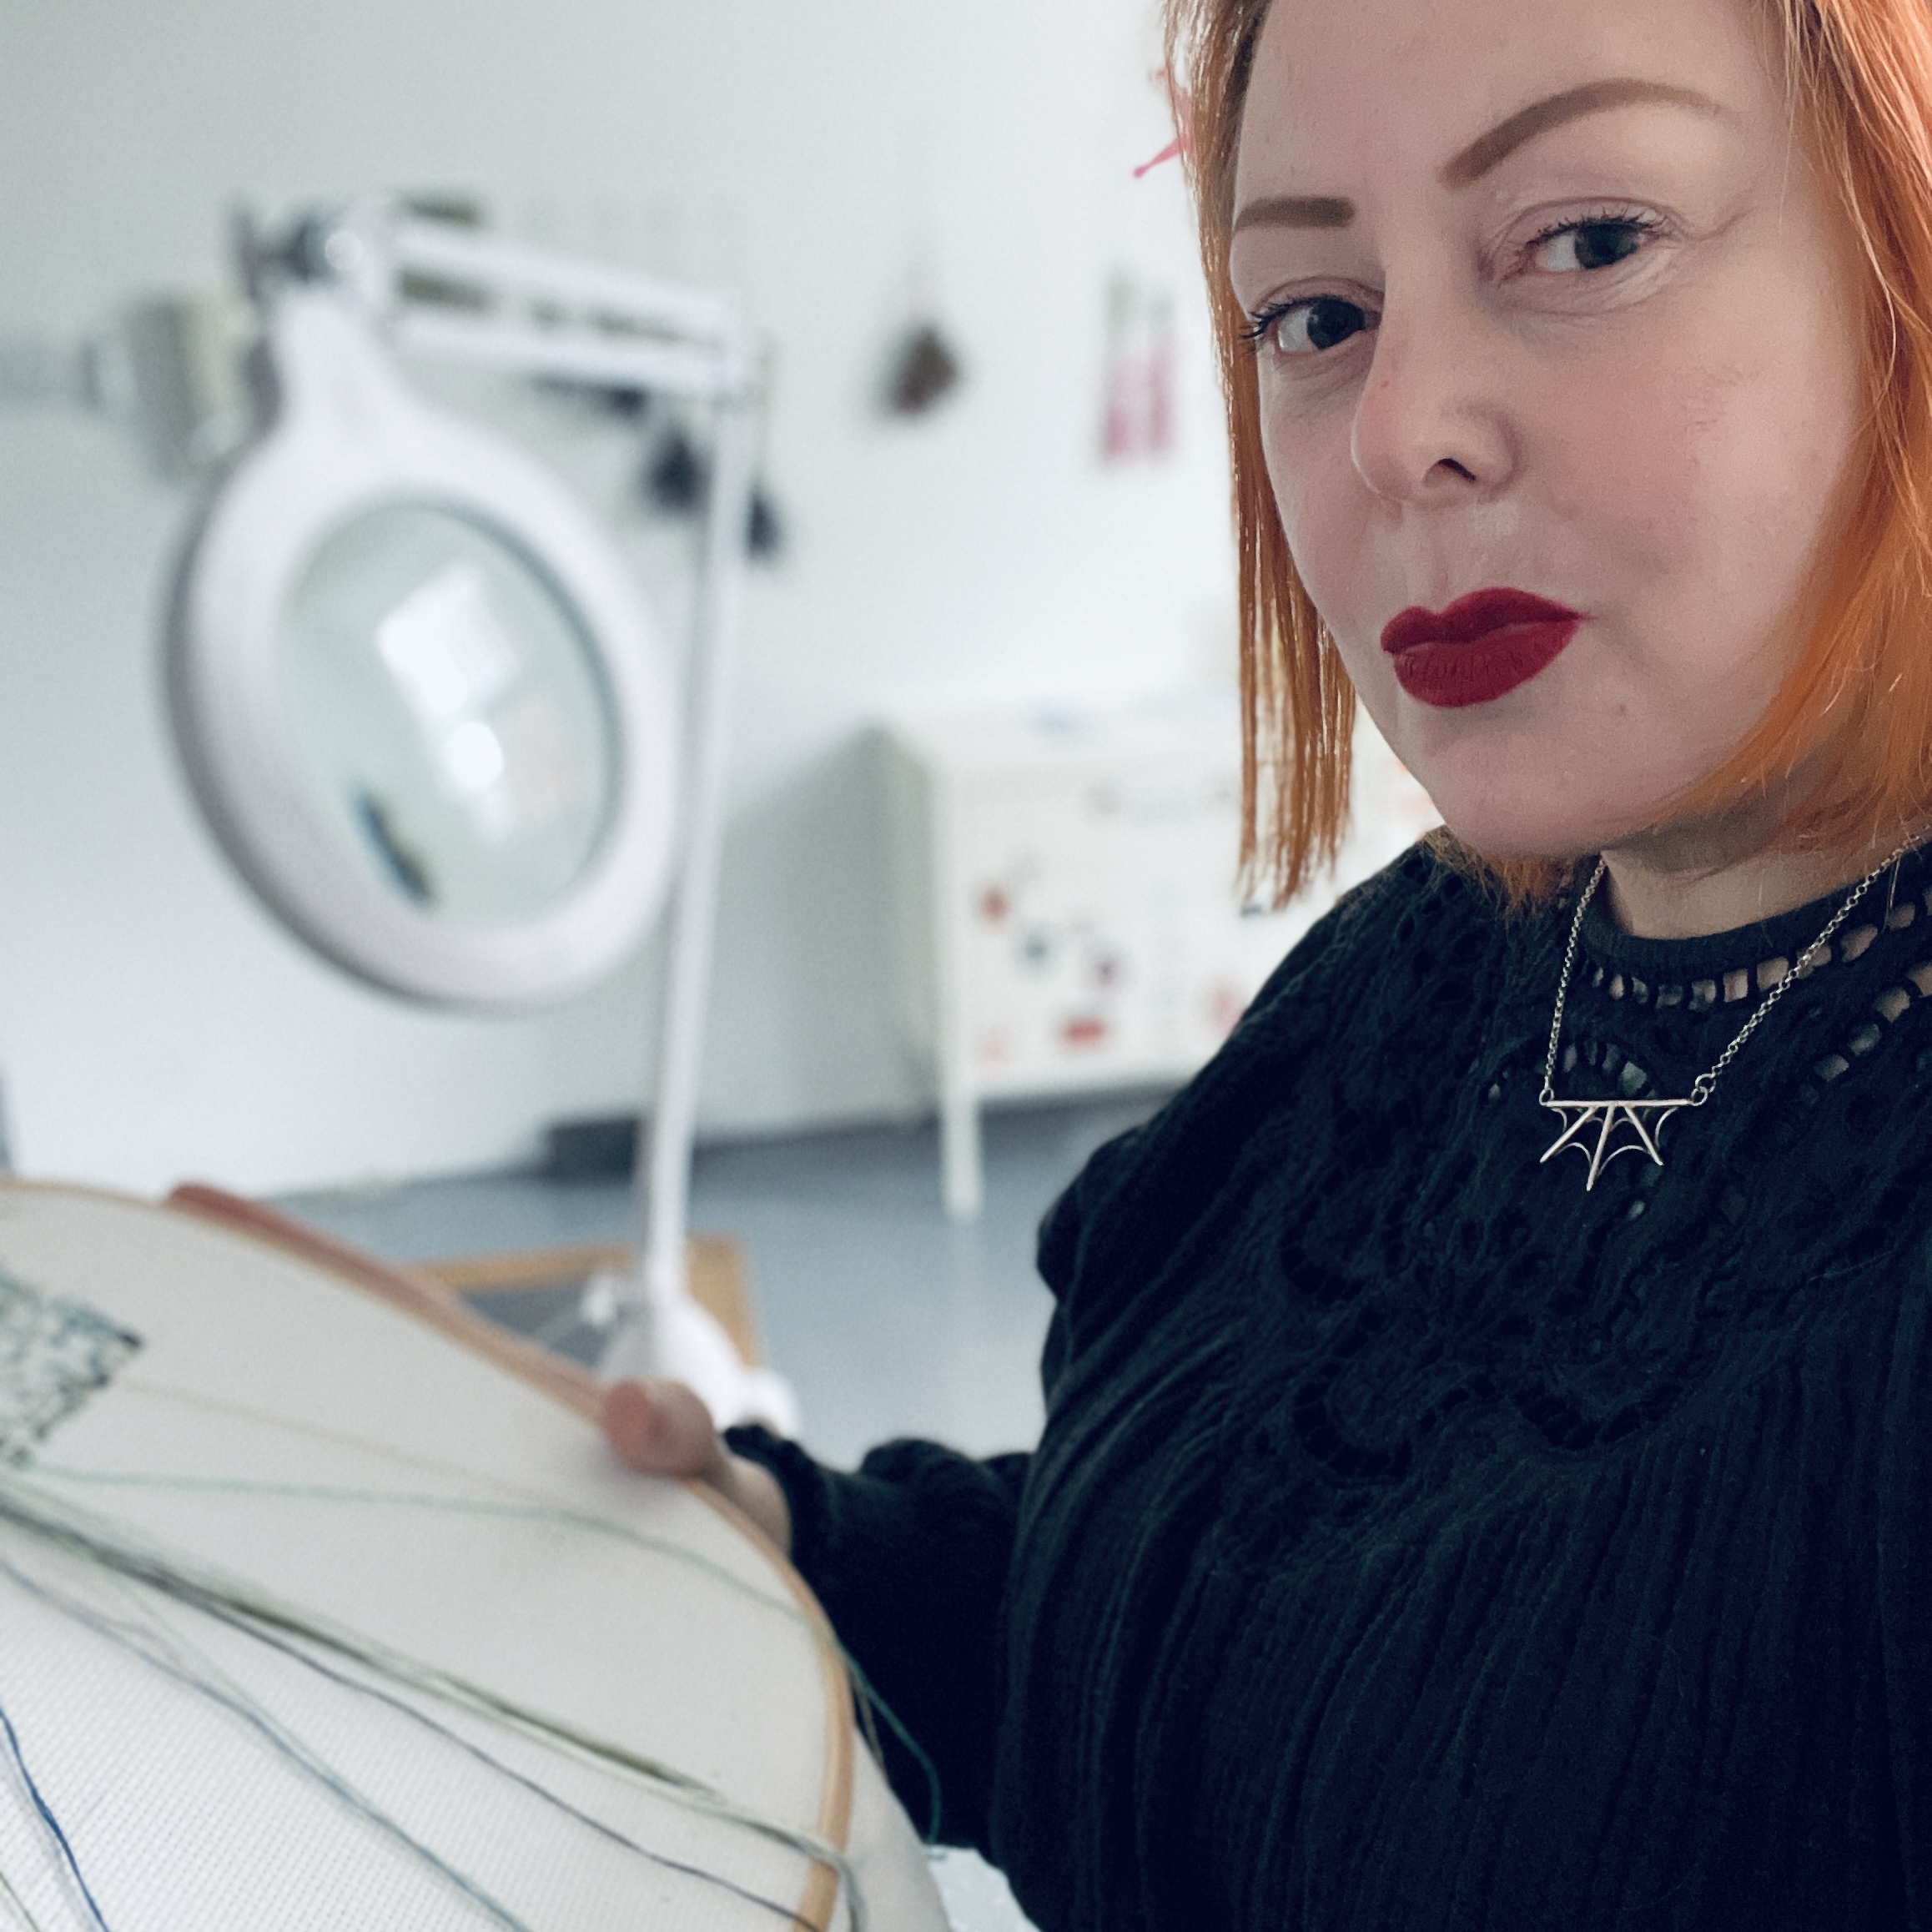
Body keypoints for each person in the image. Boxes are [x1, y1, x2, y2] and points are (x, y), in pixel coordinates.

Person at [605, 0, 1932, 1922]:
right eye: (1314, 314)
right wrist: (796, 1549)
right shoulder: (1416, 982)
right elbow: (1208, 1632)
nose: (1399, 434)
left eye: (1587, 241)